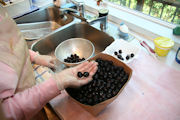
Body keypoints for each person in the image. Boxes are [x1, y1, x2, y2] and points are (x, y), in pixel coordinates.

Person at [0, 6, 98, 120]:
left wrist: (34, 57)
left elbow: (12, 45)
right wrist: (57, 82)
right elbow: (6, 114)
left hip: (29, 90)